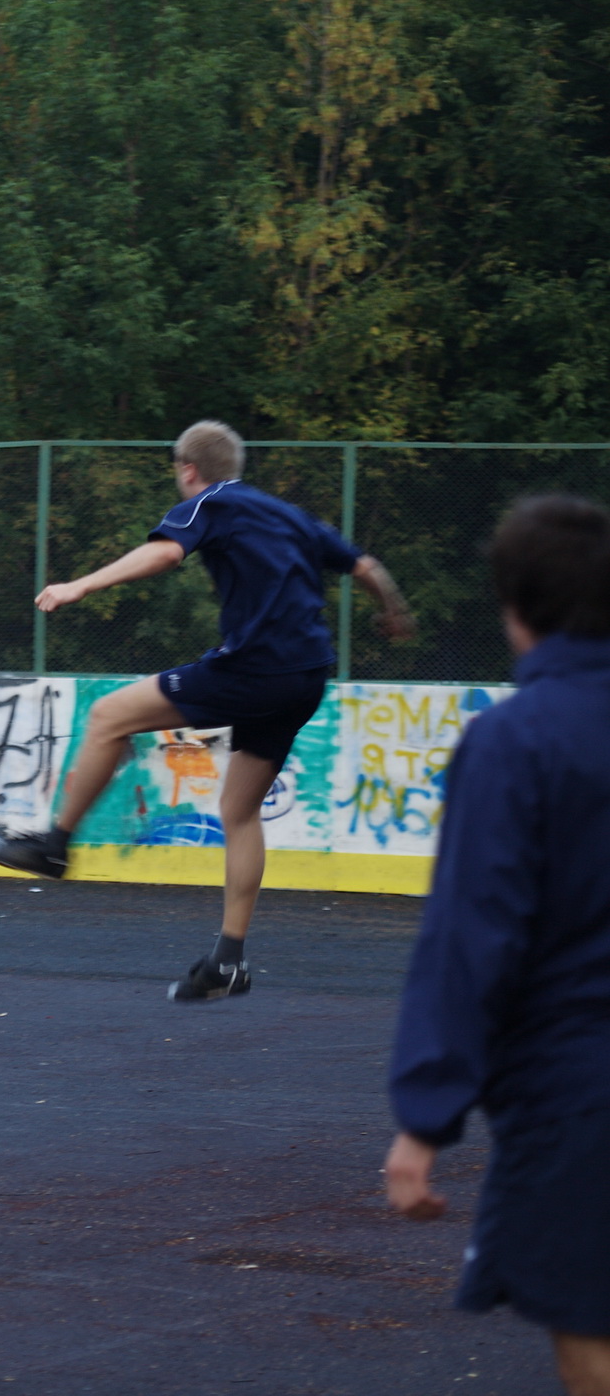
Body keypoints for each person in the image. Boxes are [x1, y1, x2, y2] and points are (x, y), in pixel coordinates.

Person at [0, 420, 414, 999]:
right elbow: (367, 568)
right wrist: (393, 612)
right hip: (306, 677)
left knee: (108, 717)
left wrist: (81, 586)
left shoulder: (211, 500)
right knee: (239, 811)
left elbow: (166, 552)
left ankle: (54, 846)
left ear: (188, 469)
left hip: (255, 669)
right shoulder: (290, 515)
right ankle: (228, 961)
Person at [384, 496, 610, 1396]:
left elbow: (472, 939)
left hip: (580, 1089)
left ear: (515, 607)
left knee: (591, 1327)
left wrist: (424, 1118)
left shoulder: (516, 739)